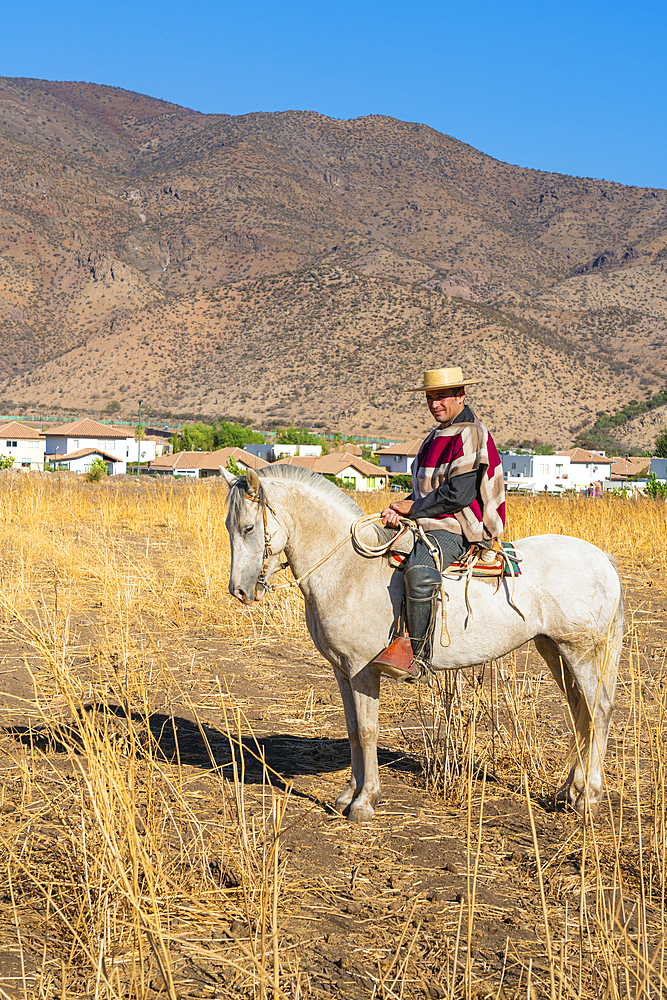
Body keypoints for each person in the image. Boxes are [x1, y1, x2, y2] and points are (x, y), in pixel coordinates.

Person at [374, 366, 505, 680]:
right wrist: (401, 509)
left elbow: (459, 495)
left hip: (461, 523)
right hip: (433, 516)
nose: (435, 404)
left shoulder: (471, 433)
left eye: (442, 397)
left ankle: (417, 658)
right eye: (431, 398)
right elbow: (427, 490)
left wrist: (413, 508)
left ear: (461, 396)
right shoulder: (435, 437)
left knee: (420, 571)